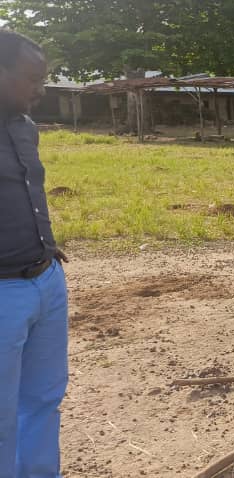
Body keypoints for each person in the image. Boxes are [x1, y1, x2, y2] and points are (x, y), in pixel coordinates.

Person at [0, 29, 70, 477]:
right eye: (31, 79)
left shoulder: (26, 128)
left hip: (45, 281)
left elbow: (31, 191)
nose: (40, 90)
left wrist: (47, 248)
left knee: (44, 399)